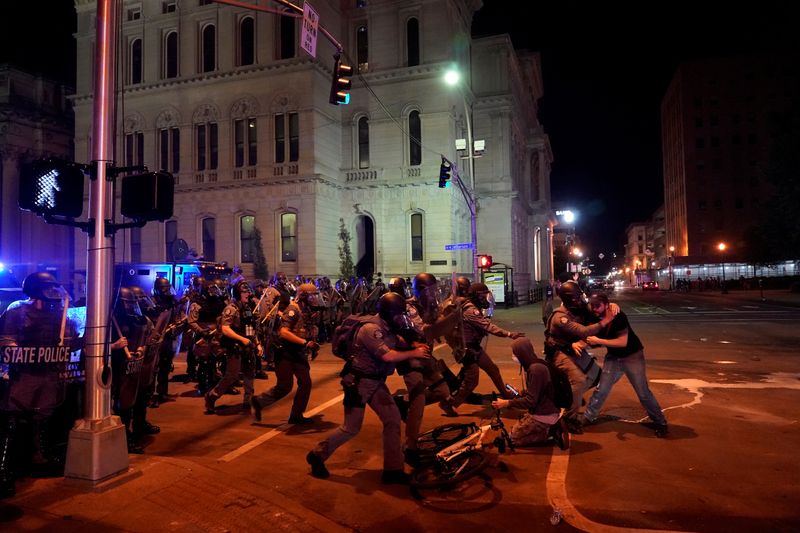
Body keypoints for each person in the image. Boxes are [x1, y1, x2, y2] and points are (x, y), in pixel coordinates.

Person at [305, 292, 432, 484]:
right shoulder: (371, 330)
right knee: (351, 428)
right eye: (398, 314)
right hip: (358, 383)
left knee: (392, 419)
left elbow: (397, 341)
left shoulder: (387, 327)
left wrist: (413, 342)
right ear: (389, 313)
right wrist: (415, 352)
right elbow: (387, 356)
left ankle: (393, 470)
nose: (400, 318)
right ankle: (317, 455)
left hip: (376, 382)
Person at [0, 272, 82, 498]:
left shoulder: (59, 314)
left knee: (42, 416)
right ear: (36, 290)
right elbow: (5, 338)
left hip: (47, 374)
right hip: (23, 375)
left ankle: (38, 457)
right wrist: (17, 351)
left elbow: (70, 339)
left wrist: (78, 340)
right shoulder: (17, 311)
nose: (53, 293)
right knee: (13, 419)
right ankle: (4, 468)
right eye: (49, 289)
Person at [580, 292, 668, 437]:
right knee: (602, 389)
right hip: (614, 357)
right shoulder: (593, 315)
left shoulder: (618, 316)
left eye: (598, 306)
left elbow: (622, 342)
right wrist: (583, 343)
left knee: (643, 392)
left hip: (632, 356)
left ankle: (660, 422)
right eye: (592, 305)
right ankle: (589, 416)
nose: (594, 309)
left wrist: (598, 341)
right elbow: (591, 334)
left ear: (607, 305)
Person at [388, 275, 450, 465]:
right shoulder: (408, 307)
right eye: (429, 291)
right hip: (410, 358)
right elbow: (424, 331)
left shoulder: (431, 308)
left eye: (434, 291)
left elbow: (440, 328)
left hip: (426, 357)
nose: (433, 295)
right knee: (419, 398)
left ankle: (404, 404)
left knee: (442, 391)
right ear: (420, 290)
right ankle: (410, 446)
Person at [439, 282, 524, 417]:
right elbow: (488, 327)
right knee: (471, 381)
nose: (485, 299)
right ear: (476, 296)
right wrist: (509, 334)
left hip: (474, 347)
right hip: (467, 350)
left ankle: (506, 396)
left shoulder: (473, 307)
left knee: (493, 370)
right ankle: (449, 404)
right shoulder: (470, 310)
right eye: (483, 296)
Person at [544, 280, 616, 432]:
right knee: (579, 380)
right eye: (576, 298)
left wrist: (612, 306)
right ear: (569, 299)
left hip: (573, 350)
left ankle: (572, 397)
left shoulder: (577, 310)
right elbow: (583, 331)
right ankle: (569, 418)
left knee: (597, 376)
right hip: (559, 353)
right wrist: (606, 321)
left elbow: (595, 307)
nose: (580, 300)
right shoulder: (560, 317)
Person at [250, 283, 321, 424]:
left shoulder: (306, 310)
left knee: (305, 383)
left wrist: (311, 344)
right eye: (311, 295)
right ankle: (258, 401)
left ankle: (296, 415)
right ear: (303, 296)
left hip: (298, 353)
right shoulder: (292, 310)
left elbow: (305, 330)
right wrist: (304, 343)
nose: (314, 298)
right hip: (285, 352)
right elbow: (284, 333)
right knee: (285, 386)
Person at [491, 338, 569, 449]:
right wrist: (520, 393)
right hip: (543, 410)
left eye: (515, 353)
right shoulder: (535, 363)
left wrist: (506, 403)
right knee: (513, 433)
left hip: (543, 414)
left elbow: (531, 401)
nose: (513, 356)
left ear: (521, 353)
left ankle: (551, 432)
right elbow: (537, 390)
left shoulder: (535, 370)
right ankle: (550, 427)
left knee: (511, 440)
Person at [205, 280, 258, 414]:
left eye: (248, 291)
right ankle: (212, 396)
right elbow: (225, 328)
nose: (248, 294)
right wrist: (242, 340)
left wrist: (257, 343)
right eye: (244, 292)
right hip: (235, 346)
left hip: (248, 345)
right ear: (237, 293)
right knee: (232, 375)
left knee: (249, 373)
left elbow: (251, 327)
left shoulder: (249, 308)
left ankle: (248, 401)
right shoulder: (231, 309)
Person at [149, 277, 185, 407]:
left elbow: (176, 316)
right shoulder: (151, 302)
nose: (166, 291)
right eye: (164, 288)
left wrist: (176, 326)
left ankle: (162, 392)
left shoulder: (172, 301)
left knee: (165, 367)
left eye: (167, 288)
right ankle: (151, 395)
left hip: (168, 338)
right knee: (153, 368)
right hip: (155, 340)